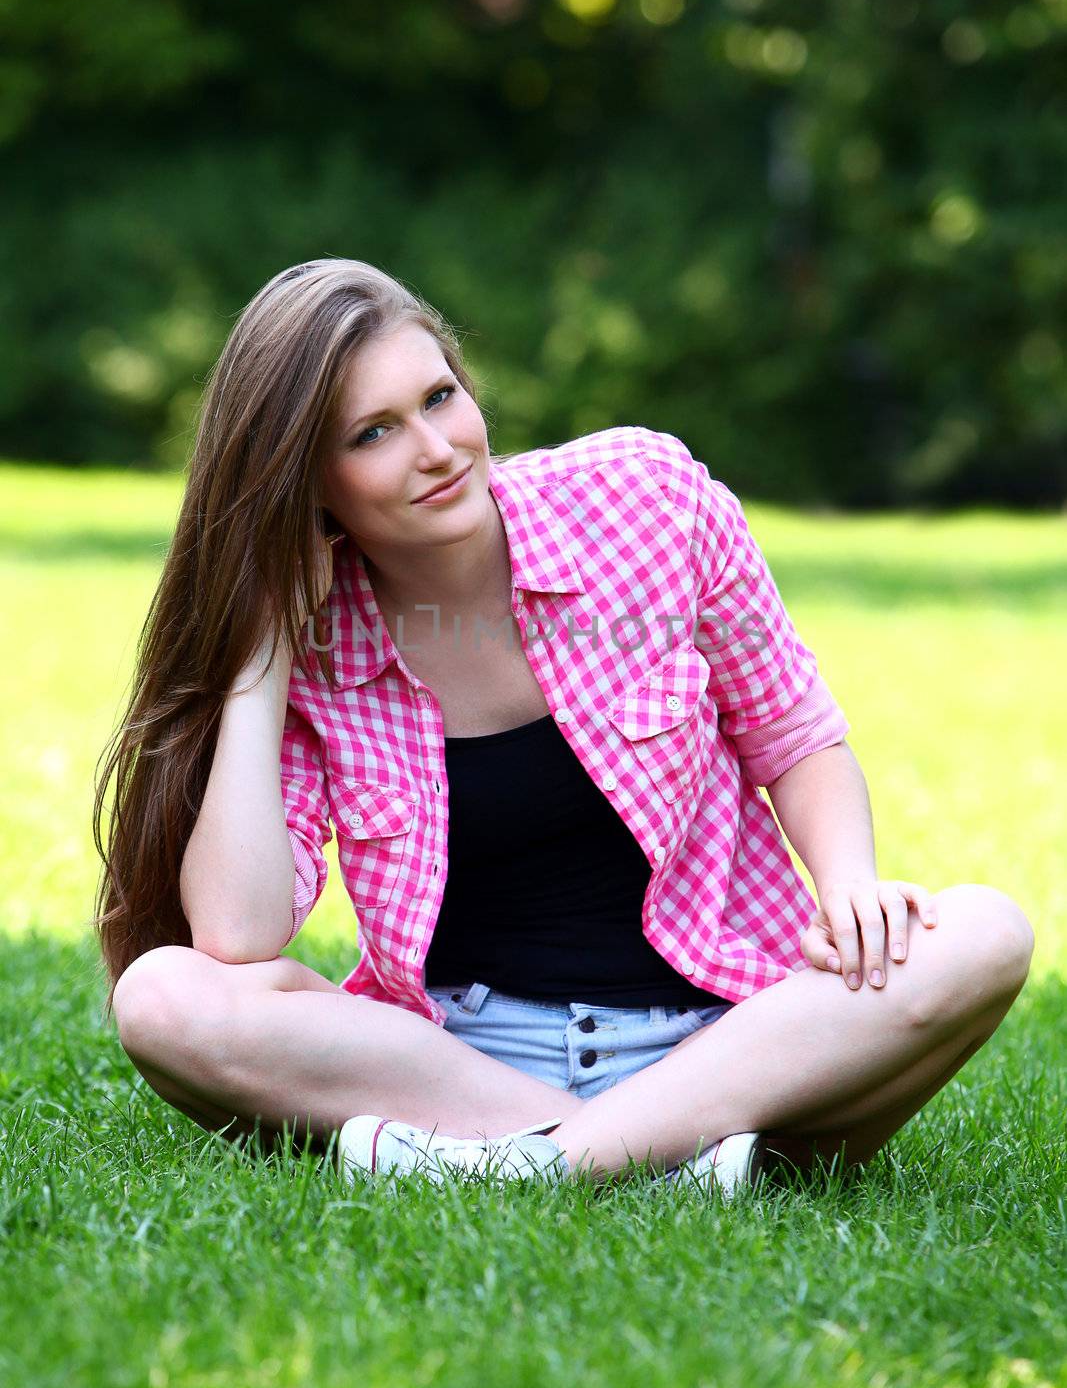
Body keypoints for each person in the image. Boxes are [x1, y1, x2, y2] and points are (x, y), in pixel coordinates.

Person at [93, 258, 1035, 1193]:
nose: (436, 448)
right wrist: (259, 661)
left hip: (733, 1038)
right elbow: (237, 933)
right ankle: (662, 1160)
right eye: (374, 433)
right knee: (164, 997)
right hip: (465, 1064)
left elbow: (792, 733)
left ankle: (532, 1168)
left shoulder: (648, 501)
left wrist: (847, 885)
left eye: (440, 397)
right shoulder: (318, 636)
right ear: (305, 481)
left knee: (983, 933)